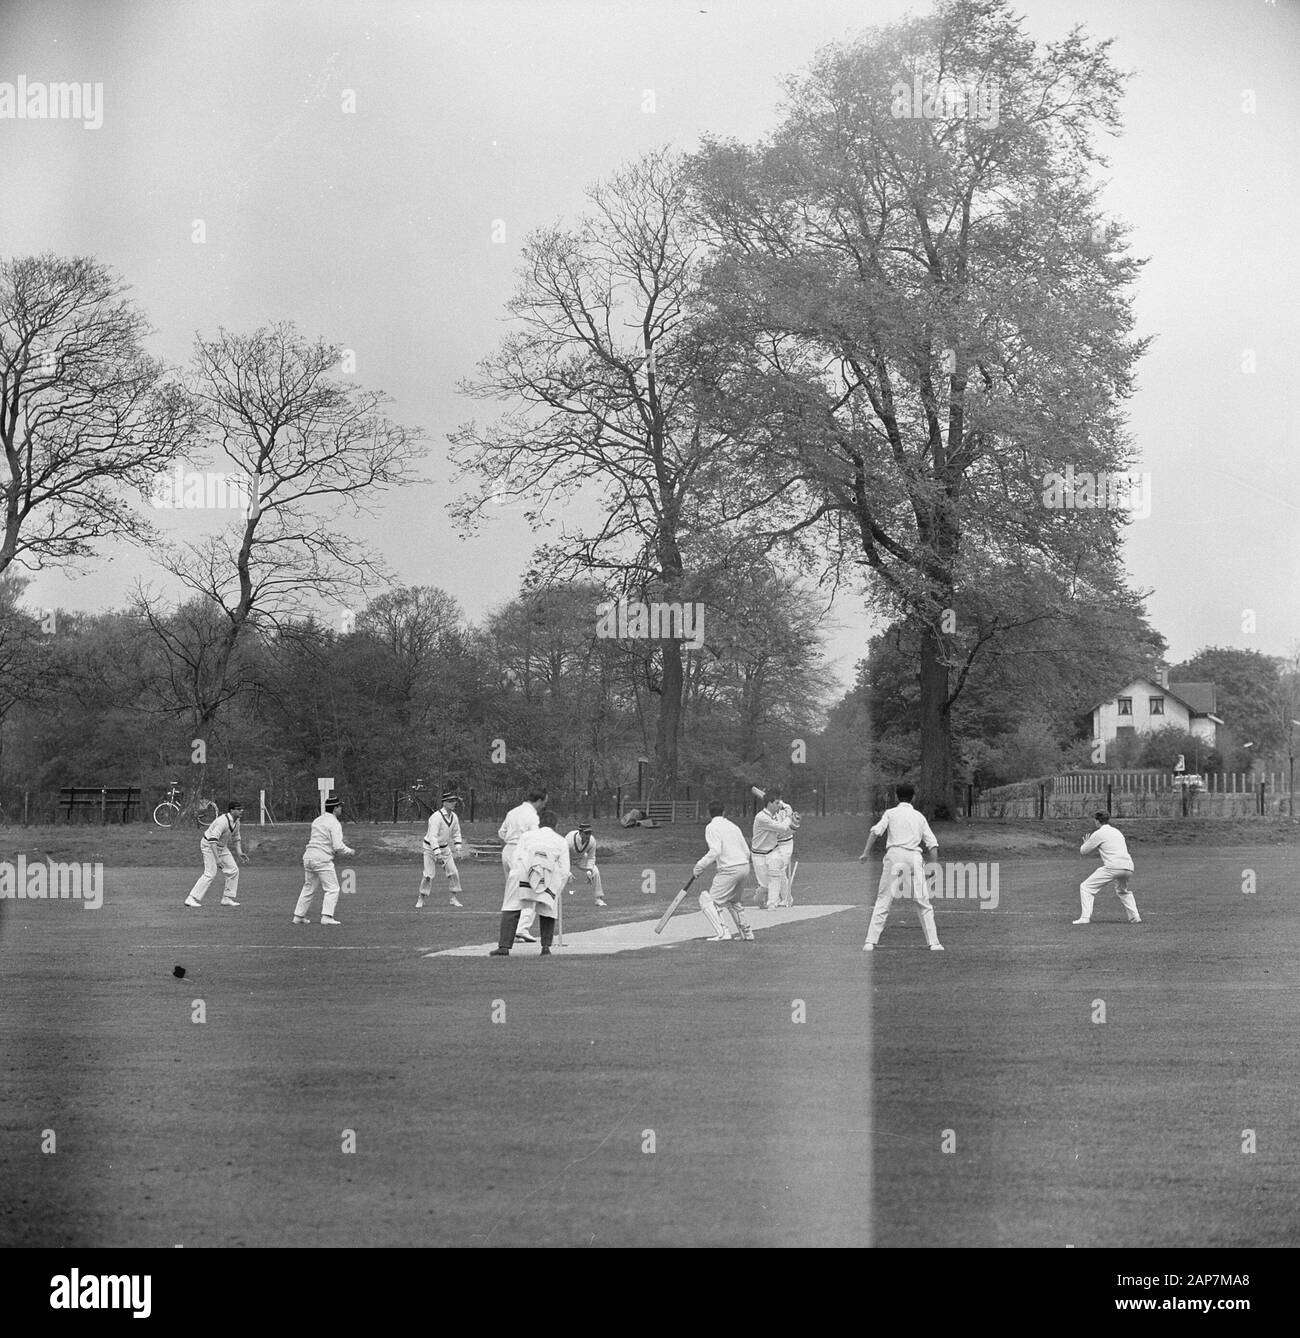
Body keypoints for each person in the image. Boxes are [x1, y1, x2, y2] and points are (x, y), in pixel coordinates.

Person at [858, 783, 944, 952]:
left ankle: (870, 942)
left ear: (896, 797)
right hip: (913, 857)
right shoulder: (919, 816)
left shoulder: (890, 813)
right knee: (923, 901)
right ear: (914, 797)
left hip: (895, 856)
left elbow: (875, 832)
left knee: (884, 899)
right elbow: (932, 844)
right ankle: (934, 943)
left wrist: (866, 853)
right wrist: (933, 867)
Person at [489, 809, 570, 956]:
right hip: (548, 875)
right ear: (556, 825)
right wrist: (556, 891)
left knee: (511, 906)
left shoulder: (526, 836)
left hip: (522, 872)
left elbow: (516, 857)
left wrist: (517, 876)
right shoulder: (561, 841)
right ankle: (545, 948)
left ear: (539, 823)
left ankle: (504, 947)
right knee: (547, 909)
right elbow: (564, 870)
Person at [693, 801, 755, 942]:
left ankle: (723, 933)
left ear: (709, 813)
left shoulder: (711, 827)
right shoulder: (733, 826)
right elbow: (746, 850)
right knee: (734, 901)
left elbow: (715, 850)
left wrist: (699, 866)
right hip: (744, 866)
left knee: (707, 900)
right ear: (723, 812)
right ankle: (747, 933)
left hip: (729, 869)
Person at [293, 792, 355, 926]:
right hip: (322, 859)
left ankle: (298, 916)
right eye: (339, 806)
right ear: (335, 808)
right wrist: (349, 851)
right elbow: (338, 845)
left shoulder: (317, 820)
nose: (341, 809)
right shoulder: (334, 823)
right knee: (333, 888)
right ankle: (327, 916)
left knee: (308, 887)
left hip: (309, 857)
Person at [1074, 812, 1142, 925]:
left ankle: (1085, 918)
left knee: (1086, 887)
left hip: (1113, 866)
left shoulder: (1099, 833)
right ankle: (1135, 917)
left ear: (1097, 821)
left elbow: (1083, 851)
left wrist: (1086, 842)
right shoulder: (1117, 832)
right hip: (1129, 866)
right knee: (1122, 891)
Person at [499, 787, 547, 942]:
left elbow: (501, 832)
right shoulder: (532, 816)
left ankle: (513, 931)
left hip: (507, 851)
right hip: (521, 852)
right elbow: (535, 838)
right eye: (544, 802)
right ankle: (522, 929)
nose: (544, 806)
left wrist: (511, 840)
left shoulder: (512, 812)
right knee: (532, 890)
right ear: (539, 800)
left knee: (512, 892)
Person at [184, 800, 248, 908]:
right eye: (238, 809)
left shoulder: (237, 822)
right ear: (232, 811)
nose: (241, 810)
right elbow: (212, 840)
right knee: (210, 873)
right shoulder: (222, 821)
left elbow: (236, 838)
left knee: (233, 870)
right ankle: (191, 898)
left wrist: (239, 852)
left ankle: (227, 898)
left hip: (221, 847)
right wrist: (217, 859)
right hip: (209, 846)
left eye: (241, 808)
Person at [417, 791, 464, 909]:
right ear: (444, 803)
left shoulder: (454, 817)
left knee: (454, 873)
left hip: (444, 848)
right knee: (428, 875)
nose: (454, 803)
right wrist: (437, 853)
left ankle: (453, 899)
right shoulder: (436, 817)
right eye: (451, 801)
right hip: (429, 848)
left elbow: (456, 833)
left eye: (455, 801)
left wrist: (458, 848)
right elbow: (432, 836)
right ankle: (421, 899)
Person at [751, 789, 797, 910]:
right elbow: (781, 828)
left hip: (774, 850)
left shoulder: (781, 808)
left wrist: (793, 822)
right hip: (759, 854)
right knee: (766, 885)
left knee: (777, 872)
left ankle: (774, 903)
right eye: (775, 803)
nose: (777, 805)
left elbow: (787, 830)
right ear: (770, 803)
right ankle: (760, 898)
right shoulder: (762, 817)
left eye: (778, 803)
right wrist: (788, 817)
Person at [565, 821, 606, 906]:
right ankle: (552, 899)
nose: (588, 835)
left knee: (596, 872)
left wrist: (590, 870)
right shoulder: (569, 839)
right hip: (566, 858)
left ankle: (598, 899)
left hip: (580, 858)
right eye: (586, 833)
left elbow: (591, 857)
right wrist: (567, 872)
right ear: (580, 832)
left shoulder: (592, 841)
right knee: (558, 877)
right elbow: (562, 856)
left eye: (589, 833)